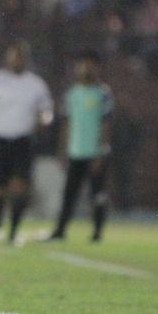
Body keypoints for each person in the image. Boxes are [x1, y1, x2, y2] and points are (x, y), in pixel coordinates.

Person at [0, 39, 53, 245]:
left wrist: (44, 120)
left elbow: (46, 111)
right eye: (14, 56)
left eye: (21, 56)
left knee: (20, 187)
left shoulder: (36, 84)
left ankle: (13, 231)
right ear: (7, 58)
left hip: (22, 141)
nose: (18, 60)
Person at [45, 52, 114, 242]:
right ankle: (60, 230)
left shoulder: (103, 93)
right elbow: (66, 125)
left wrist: (102, 151)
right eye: (83, 66)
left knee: (97, 195)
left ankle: (97, 232)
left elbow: (106, 124)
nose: (86, 70)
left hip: (95, 154)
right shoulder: (71, 94)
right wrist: (62, 152)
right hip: (75, 152)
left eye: (90, 66)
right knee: (69, 195)